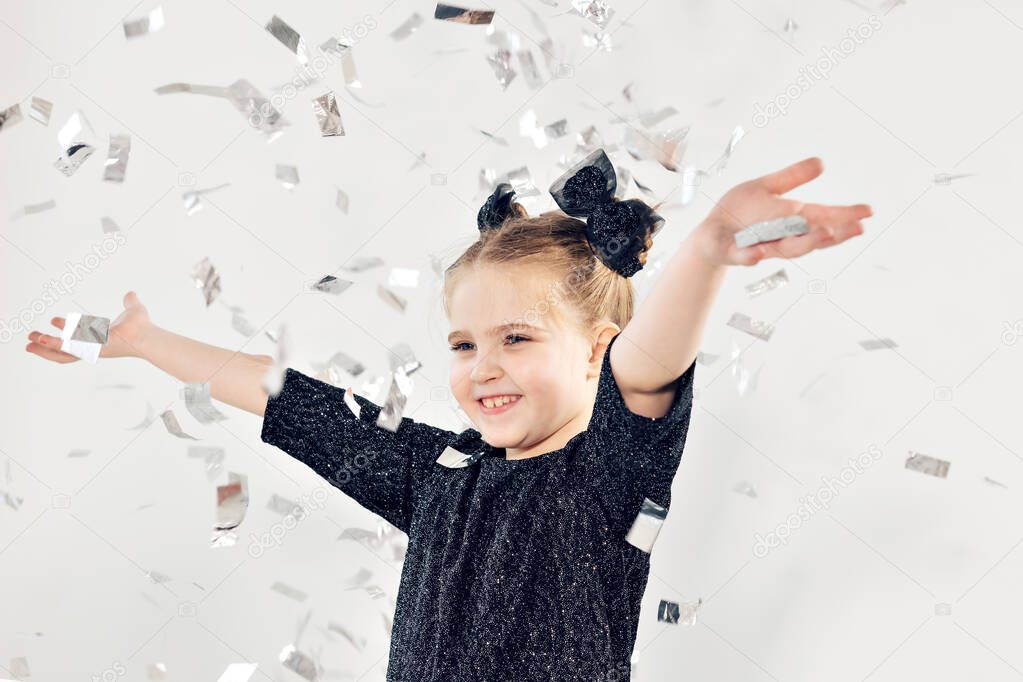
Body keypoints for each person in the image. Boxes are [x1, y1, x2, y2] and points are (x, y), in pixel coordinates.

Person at [25, 151, 871, 681]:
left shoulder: (608, 474)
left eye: (515, 337)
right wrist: (136, 338)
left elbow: (648, 367)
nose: (483, 367)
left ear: (594, 351)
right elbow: (288, 397)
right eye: (463, 345)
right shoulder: (436, 477)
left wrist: (707, 251)